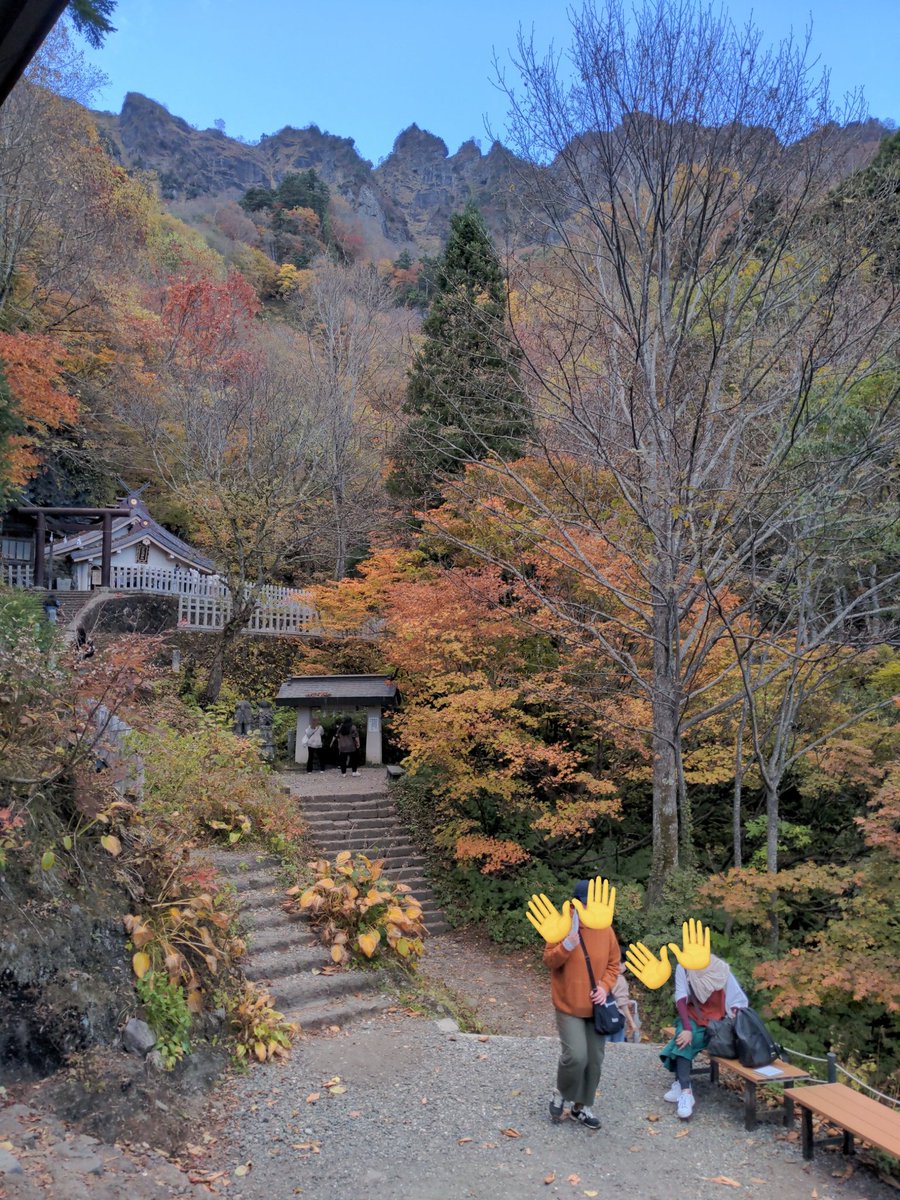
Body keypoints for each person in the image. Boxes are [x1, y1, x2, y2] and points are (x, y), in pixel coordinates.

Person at [543, 880, 620, 1130]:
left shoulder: (605, 928)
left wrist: (605, 987)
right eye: (585, 904)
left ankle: (581, 1107)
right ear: (575, 904)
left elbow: (614, 964)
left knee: (595, 1059)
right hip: (568, 1004)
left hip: (596, 1007)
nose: (590, 908)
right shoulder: (562, 925)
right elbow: (549, 960)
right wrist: (566, 946)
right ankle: (561, 1092)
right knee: (576, 1056)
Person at [659, 953, 748, 1119]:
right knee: (683, 1038)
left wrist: (735, 1016)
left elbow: (737, 999)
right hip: (692, 1016)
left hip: (716, 1021)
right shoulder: (683, 967)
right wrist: (686, 1028)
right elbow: (681, 996)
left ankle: (680, 1082)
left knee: (683, 1042)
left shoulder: (720, 968)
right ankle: (686, 1091)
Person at [607, 943, 634, 1043]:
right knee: (618, 1046)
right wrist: (631, 1022)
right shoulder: (620, 979)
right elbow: (622, 1004)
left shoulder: (602, 975)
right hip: (616, 1018)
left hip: (601, 1017)